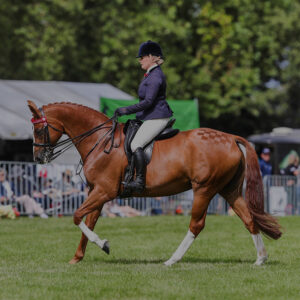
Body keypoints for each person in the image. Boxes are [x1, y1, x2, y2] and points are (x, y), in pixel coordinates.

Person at [114, 40, 173, 192]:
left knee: (135, 144)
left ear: (153, 57)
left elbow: (148, 102)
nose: (140, 59)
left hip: (158, 117)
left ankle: (139, 181)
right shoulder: (150, 74)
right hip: (151, 116)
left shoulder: (155, 76)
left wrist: (127, 110)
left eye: (143, 57)